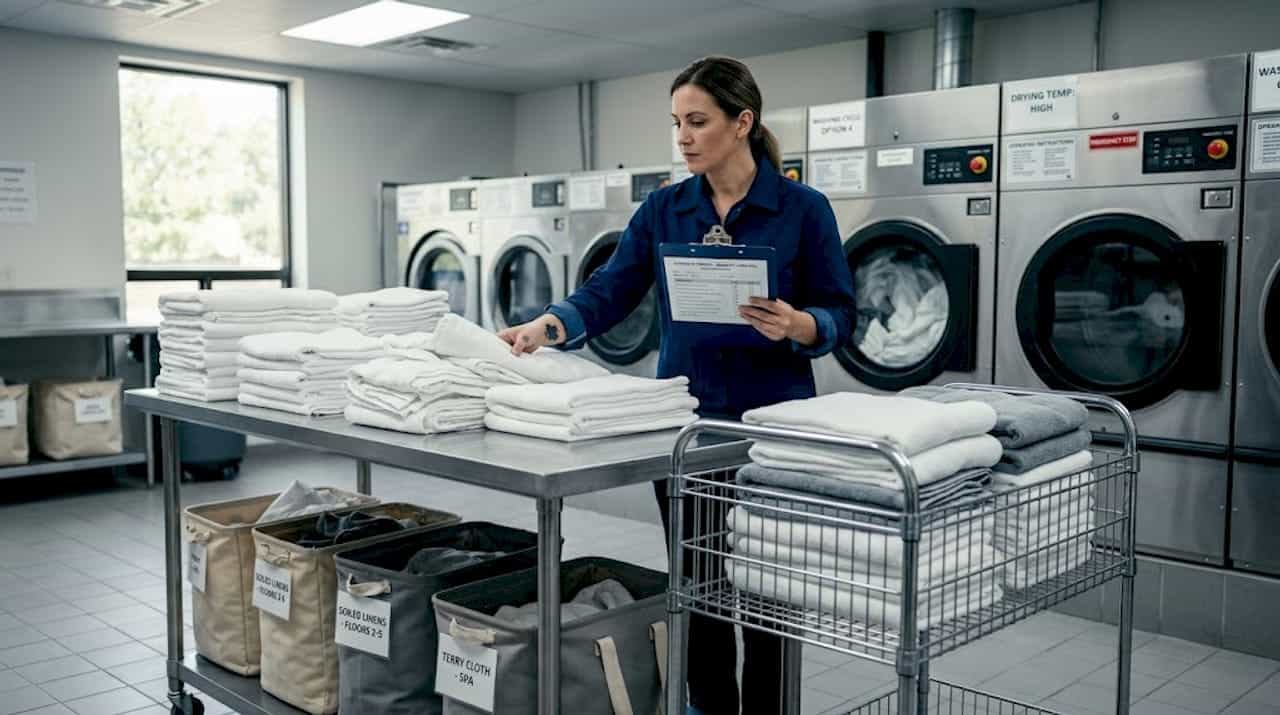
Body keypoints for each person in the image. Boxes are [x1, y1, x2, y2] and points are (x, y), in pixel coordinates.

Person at [499, 56, 856, 715]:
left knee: (772, 599)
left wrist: (800, 324)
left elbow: (842, 312)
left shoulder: (802, 209)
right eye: (677, 123)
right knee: (699, 589)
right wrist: (549, 325)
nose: (683, 137)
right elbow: (611, 288)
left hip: (773, 433)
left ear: (742, 122)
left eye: (698, 121)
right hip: (688, 427)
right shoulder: (667, 207)